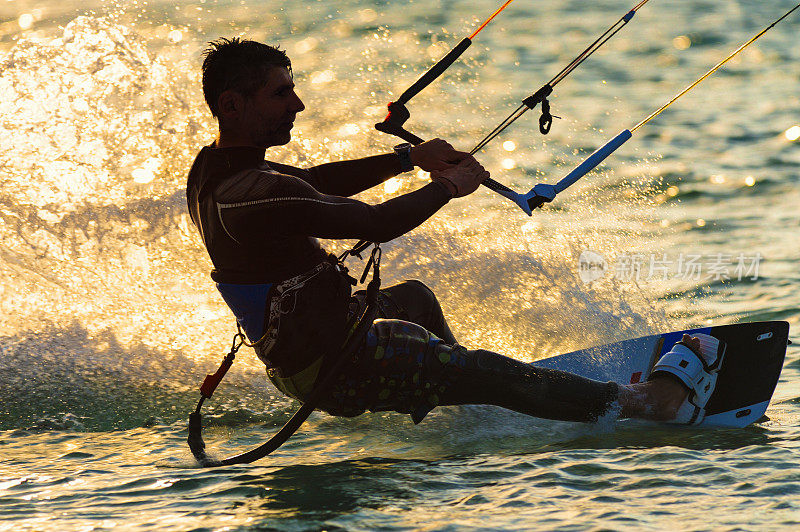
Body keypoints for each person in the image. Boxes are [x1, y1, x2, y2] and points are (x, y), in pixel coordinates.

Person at [186, 37, 723, 429]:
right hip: (336, 366)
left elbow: (310, 181)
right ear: (232, 104)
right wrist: (449, 187)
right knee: (477, 368)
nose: (298, 104)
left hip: (313, 347)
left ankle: (466, 392)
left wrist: (409, 157)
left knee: (415, 300)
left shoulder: (216, 171)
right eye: (281, 95)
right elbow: (376, 223)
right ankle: (654, 402)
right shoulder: (252, 193)